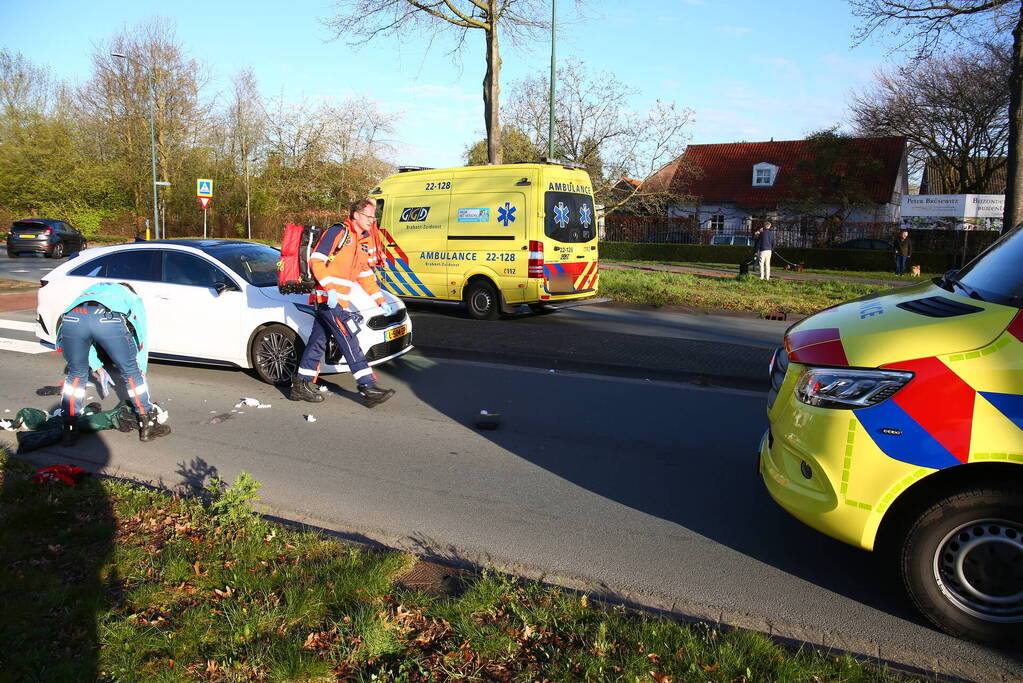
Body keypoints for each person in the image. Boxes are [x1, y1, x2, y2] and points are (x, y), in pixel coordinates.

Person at [290, 199, 397, 408]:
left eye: (373, 217)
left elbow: (365, 274)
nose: (372, 221)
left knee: (318, 341)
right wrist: (329, 289)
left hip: (338, 300)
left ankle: (300, 384)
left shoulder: (362, 240)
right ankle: (367, 386)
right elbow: (316, 260)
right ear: (356, 215)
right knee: (348, 337)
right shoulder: (338, 232)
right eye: (368, 216)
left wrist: (380, 299)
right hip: (327, 299)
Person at [56, 281, 171, 445]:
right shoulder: (133, 297)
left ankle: (69, 428)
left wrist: (97, 366)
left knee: (76, 375)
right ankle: (147, 424)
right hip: (107, 319)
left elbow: (86, 325)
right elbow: (141, 335)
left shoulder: (93, 288)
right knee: (131, 372)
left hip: (72, 319)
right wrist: (141, 370)